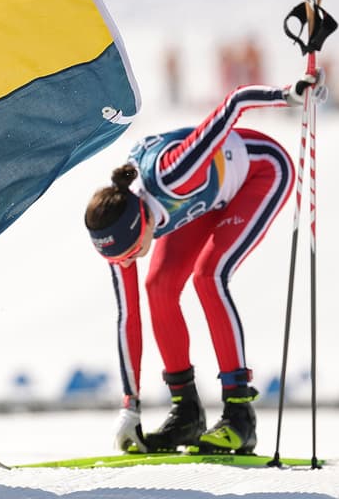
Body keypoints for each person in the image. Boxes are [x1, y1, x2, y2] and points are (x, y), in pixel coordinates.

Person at [83, 71, 325, 455]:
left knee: (209, 276)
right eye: (119, 258)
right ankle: (187, 414)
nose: (126, 262)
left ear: (142, 223)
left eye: (130, 253)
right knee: (158, 287)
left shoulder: (174, 173)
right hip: (205, 199)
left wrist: (290, 95)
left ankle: (240, 415)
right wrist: (131, 405)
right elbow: (128, 316)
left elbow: (235, 103)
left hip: (260, 172)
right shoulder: (121, 225)